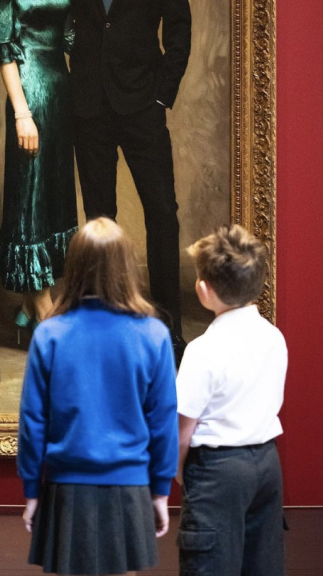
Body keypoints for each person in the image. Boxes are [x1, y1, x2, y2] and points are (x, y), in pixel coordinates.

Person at [64, 0, 191, 357]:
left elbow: (178, 31)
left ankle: (168, 329)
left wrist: (162, 94)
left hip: (142, 104)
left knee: (162, 212)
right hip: (89, 107)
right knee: (99, 219)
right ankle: (104, 324)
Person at [18, 217, 178, 576]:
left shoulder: (50, 334)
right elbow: (163, 419)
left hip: (66, 488)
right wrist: (161, 490)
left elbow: (33, 421)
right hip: (130, 486)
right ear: (126, 266)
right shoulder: (153, 334)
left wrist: (32, 490)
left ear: (73, 267)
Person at [0, 0, 78, 327]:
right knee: (31, 192)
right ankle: (39, 303)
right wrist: (22, 111)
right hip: (29, 87)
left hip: (61, 90)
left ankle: (35, 301)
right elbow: (4, 46)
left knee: (55, 192)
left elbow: (71, 36)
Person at [176, 225, 288, 576]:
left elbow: (182, 429)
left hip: (218, 472)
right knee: (262, 564)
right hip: (268, 463)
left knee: (210, 566)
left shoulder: (202, 350)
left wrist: (180, 473)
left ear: (203, 290)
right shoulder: (274, 337)